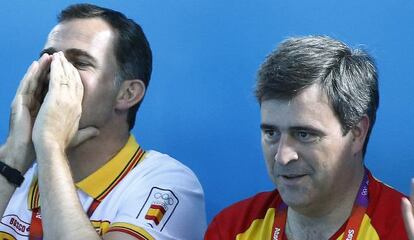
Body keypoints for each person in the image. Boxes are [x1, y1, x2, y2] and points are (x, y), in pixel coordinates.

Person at [0, 3, 206, 240]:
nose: (53, 72)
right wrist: (14, 157)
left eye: (78, 62)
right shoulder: (10, 167)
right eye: (48, 58)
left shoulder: (168, 184)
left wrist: (49, 145)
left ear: (127, 94)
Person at [205, 35, 408, 239]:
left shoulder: (403, 230)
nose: (282, 157)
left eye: (304, 134)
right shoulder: (232, 229)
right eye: (271, 133)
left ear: (356, 134)